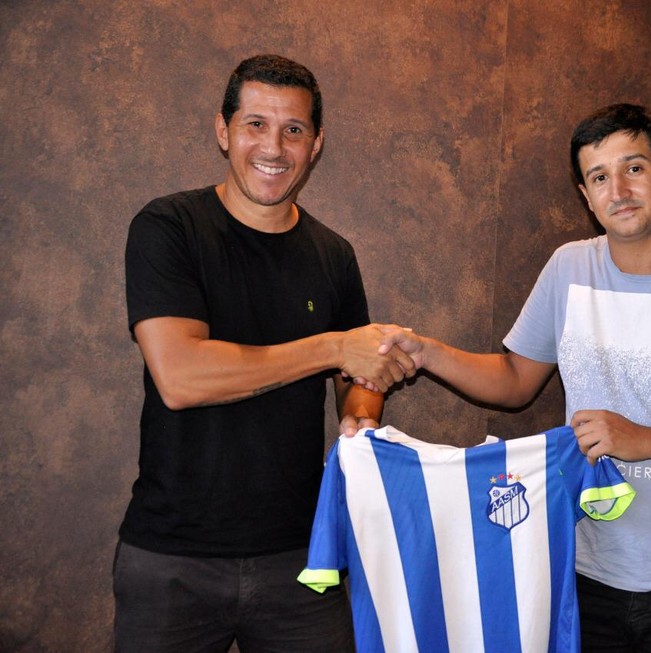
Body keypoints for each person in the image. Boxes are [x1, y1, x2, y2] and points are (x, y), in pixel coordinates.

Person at [379, 103, 651, 652]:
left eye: (634, 168)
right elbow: (515, 379)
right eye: (599, 177)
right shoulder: (569, 268)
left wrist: (647, 440)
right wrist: (428, 353)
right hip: (576, 574)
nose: (618, 191)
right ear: (585, 195)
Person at [114, 54, 415, 653]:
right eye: (255, 124)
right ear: (223, 130)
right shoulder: (168, 227)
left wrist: (362, 413)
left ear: (315, 144)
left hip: (303, 556)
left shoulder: (334, 255)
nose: (273, 147)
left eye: (293, 129)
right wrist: (333, 345)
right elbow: (181, 377)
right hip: (172, 558)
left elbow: (356, 381)